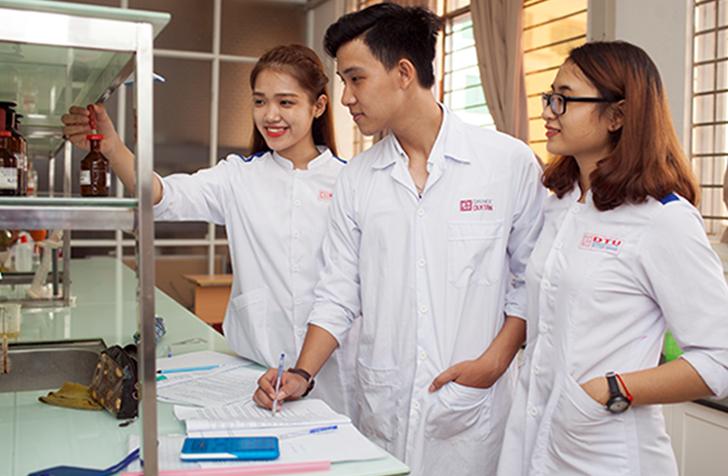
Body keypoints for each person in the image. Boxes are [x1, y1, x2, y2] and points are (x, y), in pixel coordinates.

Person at [253, 4, 546, 475]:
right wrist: (303, 375)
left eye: (355, 79)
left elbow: (530, 283)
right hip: (384, 406)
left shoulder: (506, 164)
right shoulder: (359, 178)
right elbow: (337, 293)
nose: (346, 97)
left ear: (404, 72)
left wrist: (493, 363)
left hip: (474, 413)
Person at [61, 44, 359, 421]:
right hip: (255, 373)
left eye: (286, 103)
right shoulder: (238, 176)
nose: (270, 115)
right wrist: (111, 147)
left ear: (317, 106)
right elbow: (162, 195)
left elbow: (347, 289)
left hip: (333, 376)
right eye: (260, 101)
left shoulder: (349, 181)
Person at [497, 41, 728, 476]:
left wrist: (609, 390)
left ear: (618, 115)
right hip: (534, 438)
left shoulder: (664, 219)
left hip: (607, 451)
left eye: (563, 99)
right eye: (550, 96)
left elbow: (720, 358)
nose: (548, 111)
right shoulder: (561, 205)